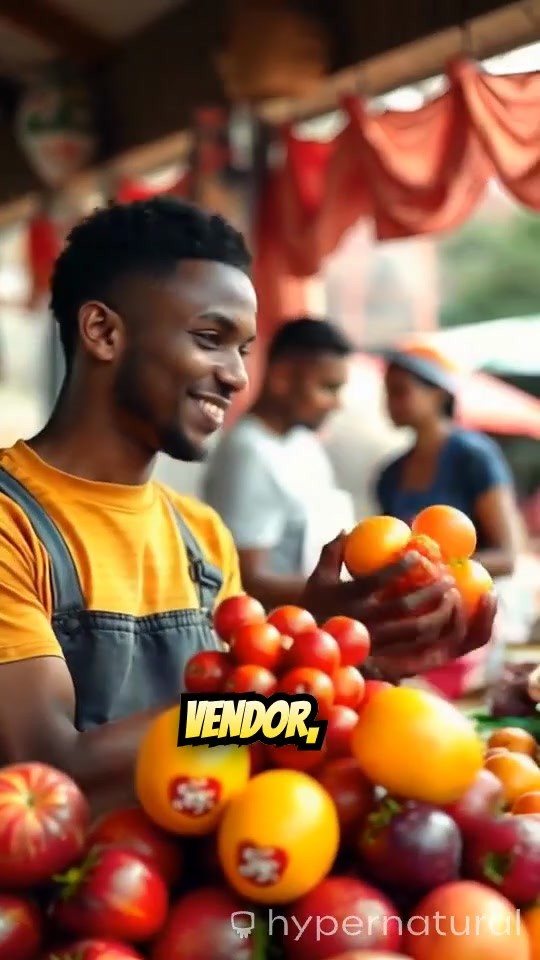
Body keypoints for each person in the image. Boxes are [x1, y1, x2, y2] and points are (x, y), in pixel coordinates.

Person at [0, 199, 494, 815]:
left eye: (243, 349)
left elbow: (245, 741)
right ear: (102, 331)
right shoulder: (13, 523)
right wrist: (278, 693)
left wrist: (347, 665)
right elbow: (47, 773)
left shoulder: (202, 537)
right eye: (211, 339)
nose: (237, 376)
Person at [203, 317, 354, 605]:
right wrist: (345, 591)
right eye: (328, 388)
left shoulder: (304, 442)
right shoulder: (247, 453)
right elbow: (248, 580)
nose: (337, 403)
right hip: (278, 627)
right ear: (282, 378)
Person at [376, 343, 522, 577]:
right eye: (387, 392)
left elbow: (507, 556)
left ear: (439, 394)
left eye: (400, 391)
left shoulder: (473, 456)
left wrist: (434, 568)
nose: (390, 402)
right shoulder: (389, 475)